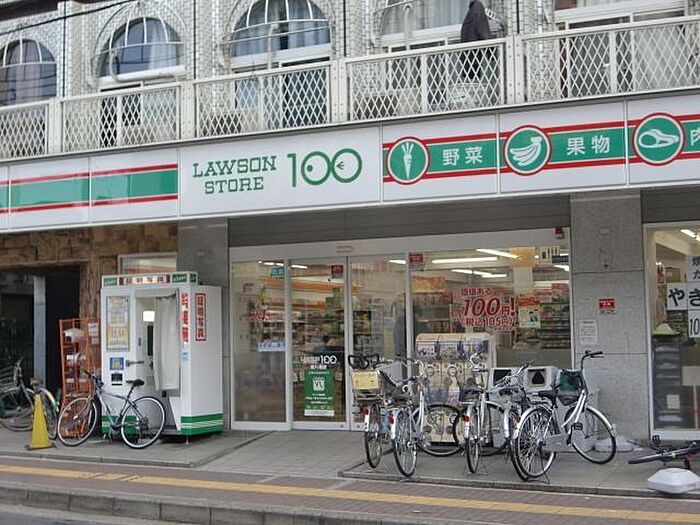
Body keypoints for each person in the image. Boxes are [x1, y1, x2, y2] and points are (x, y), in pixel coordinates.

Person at [460, 0, 494, 82]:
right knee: (475, 83)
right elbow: (482, 30)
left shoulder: (470, 13)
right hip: (474, 56)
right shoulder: (478, 7)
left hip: (468, 57)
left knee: (471, 82)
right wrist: (491, 52)